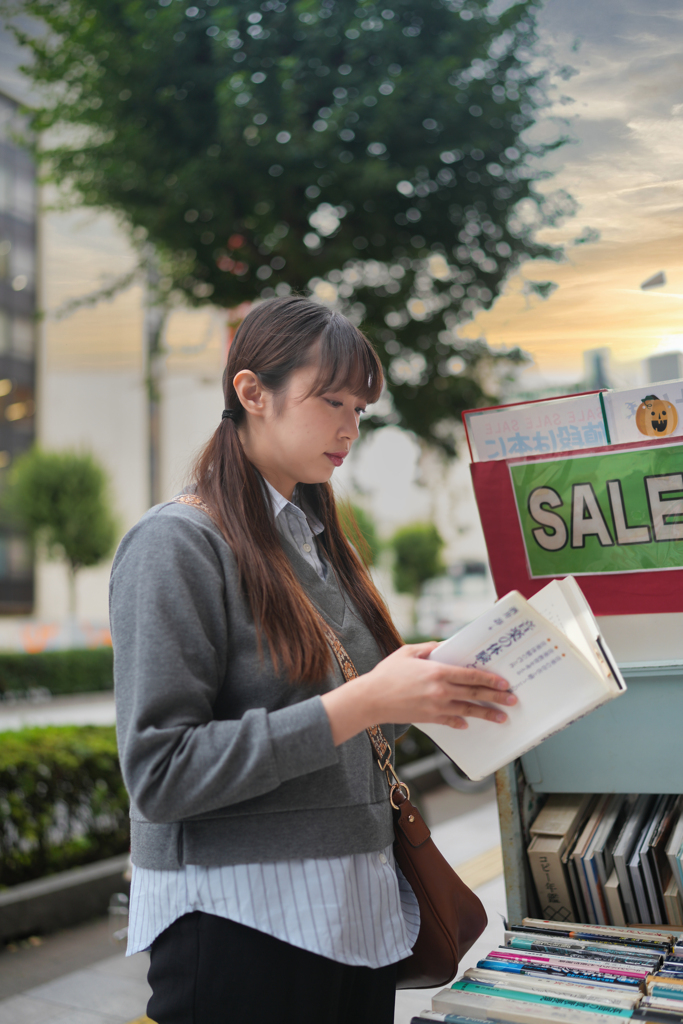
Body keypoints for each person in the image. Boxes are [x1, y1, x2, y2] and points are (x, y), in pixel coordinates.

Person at [110, 296, 516, 1024]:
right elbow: (160, 773)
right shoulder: (176, 544)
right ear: (251, 392)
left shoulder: (312, 541)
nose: (349, 427)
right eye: (332, 401)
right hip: (242, 924)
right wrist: (362, 701)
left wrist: (424, 687)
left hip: (355, 919)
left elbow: (351, 733)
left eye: (360, 409)